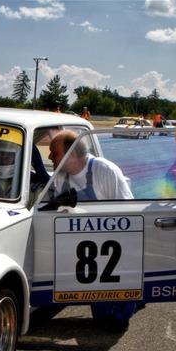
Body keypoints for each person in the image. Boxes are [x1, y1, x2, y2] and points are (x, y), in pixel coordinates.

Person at [48, 130, 137, 332]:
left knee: (117, 321)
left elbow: (131, 215)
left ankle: (130, 304)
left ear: (71, 154)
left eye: (54, 152)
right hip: (86, 249)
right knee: (101, 318)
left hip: (115, 245)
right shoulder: (61, 176)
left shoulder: (104, 170)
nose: (50, 156)